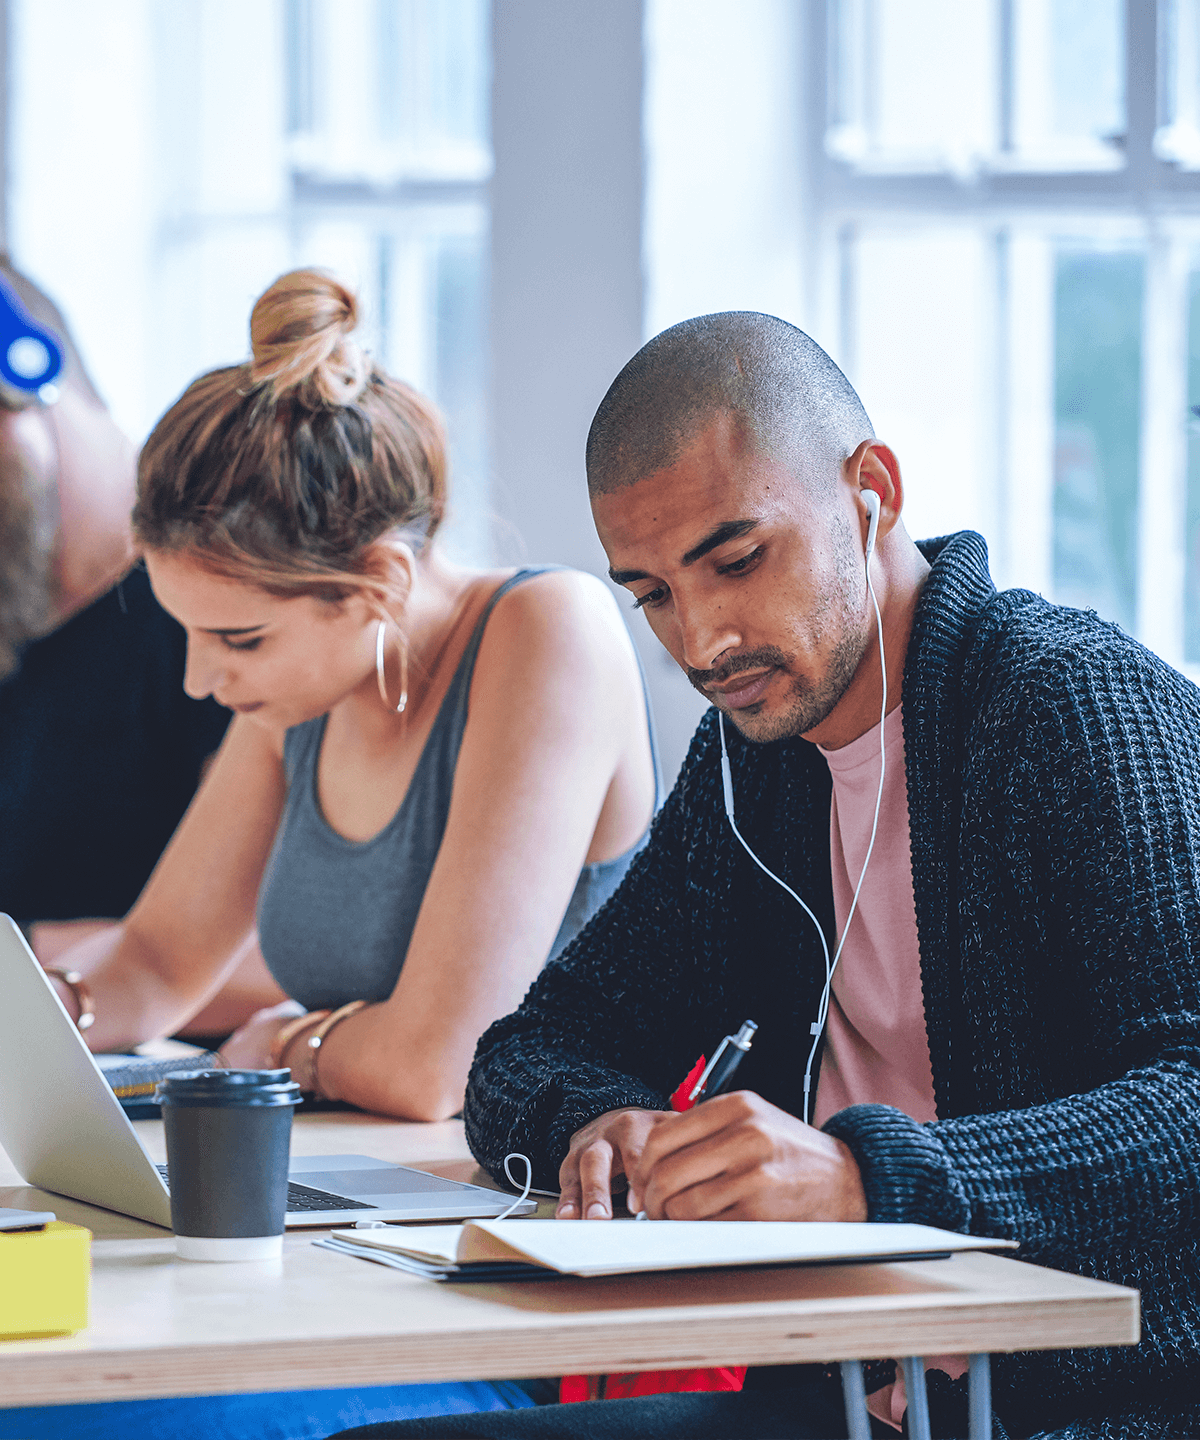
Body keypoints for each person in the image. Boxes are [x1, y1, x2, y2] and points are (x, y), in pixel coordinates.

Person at [334, 313, 1200, 1439]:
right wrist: (609, 1128)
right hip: (848, 1390)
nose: (701, 643)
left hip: (1092, 1403)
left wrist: (868, 1183)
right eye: (652, 594)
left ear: (871, 489)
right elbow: (526, 1049)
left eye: (737, 560)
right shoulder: (753, 764)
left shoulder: (1072, 712)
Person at [45, 266, 658, 1123]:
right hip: (377, 1176)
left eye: (240, 638)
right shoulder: (302, 693)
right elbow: (154, 961)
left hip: (529, 1194)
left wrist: (287, 1043)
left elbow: (439, 1067)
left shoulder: (550, 631)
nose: (199, 679)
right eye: (188, 630)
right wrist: (49, 1015)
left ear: (379, 581)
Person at [0, 259, 284, 1036]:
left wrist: (23, 955)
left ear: (26, 381)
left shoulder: (245, 608)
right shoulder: (17, 611)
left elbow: (296, 960)